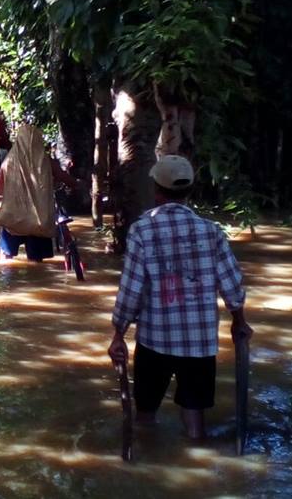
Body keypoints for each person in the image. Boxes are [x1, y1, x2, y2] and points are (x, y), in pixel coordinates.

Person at [107, 155, 252, 440]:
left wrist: (117, 334)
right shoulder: (211, 232)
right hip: (200, 341)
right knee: (195, 419)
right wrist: (240, 322)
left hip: (154, 340)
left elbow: (131, 290)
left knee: (145, 416)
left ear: (156, 189)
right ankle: (199, 461)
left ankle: (147, 464)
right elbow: (232, 286)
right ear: (189, 191)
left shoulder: (141, 231)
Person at [0, 122, 55, 262]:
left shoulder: (9, 161)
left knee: (6, 256)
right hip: (39, 219)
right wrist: (77, 183)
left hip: (13, 217)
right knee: (36, 261)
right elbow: (64, 178)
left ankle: (7, 282)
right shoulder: (46, 160)